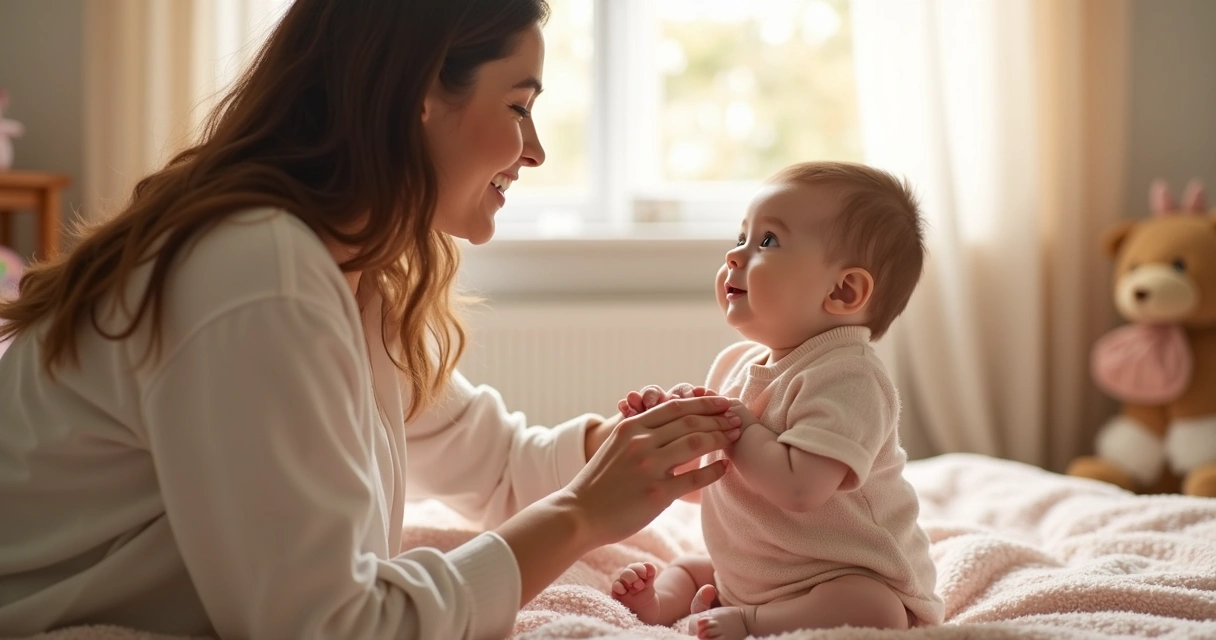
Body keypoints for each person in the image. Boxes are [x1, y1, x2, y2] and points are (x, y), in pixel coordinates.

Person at [0, 2, 745, 637]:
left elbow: (492, 462)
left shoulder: (342, 271)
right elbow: (327, 627)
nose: (537, 151)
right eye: (518, 107)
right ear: (419, 94)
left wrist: (639, 451)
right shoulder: (256, 272)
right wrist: (580, 513)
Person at [610, 162, 945, 639]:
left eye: (767, 241)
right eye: (741, 236)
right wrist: (672, 435)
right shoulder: (735, 364)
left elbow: (800, 489)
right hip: (759, 570)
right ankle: (659, 605)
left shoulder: (850, 377)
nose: (734, 254)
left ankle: (752, 621)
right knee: (690, 567)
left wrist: (736, 426)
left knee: (874, 608)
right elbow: (706, 484)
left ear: (843, 290)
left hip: (842, 574)